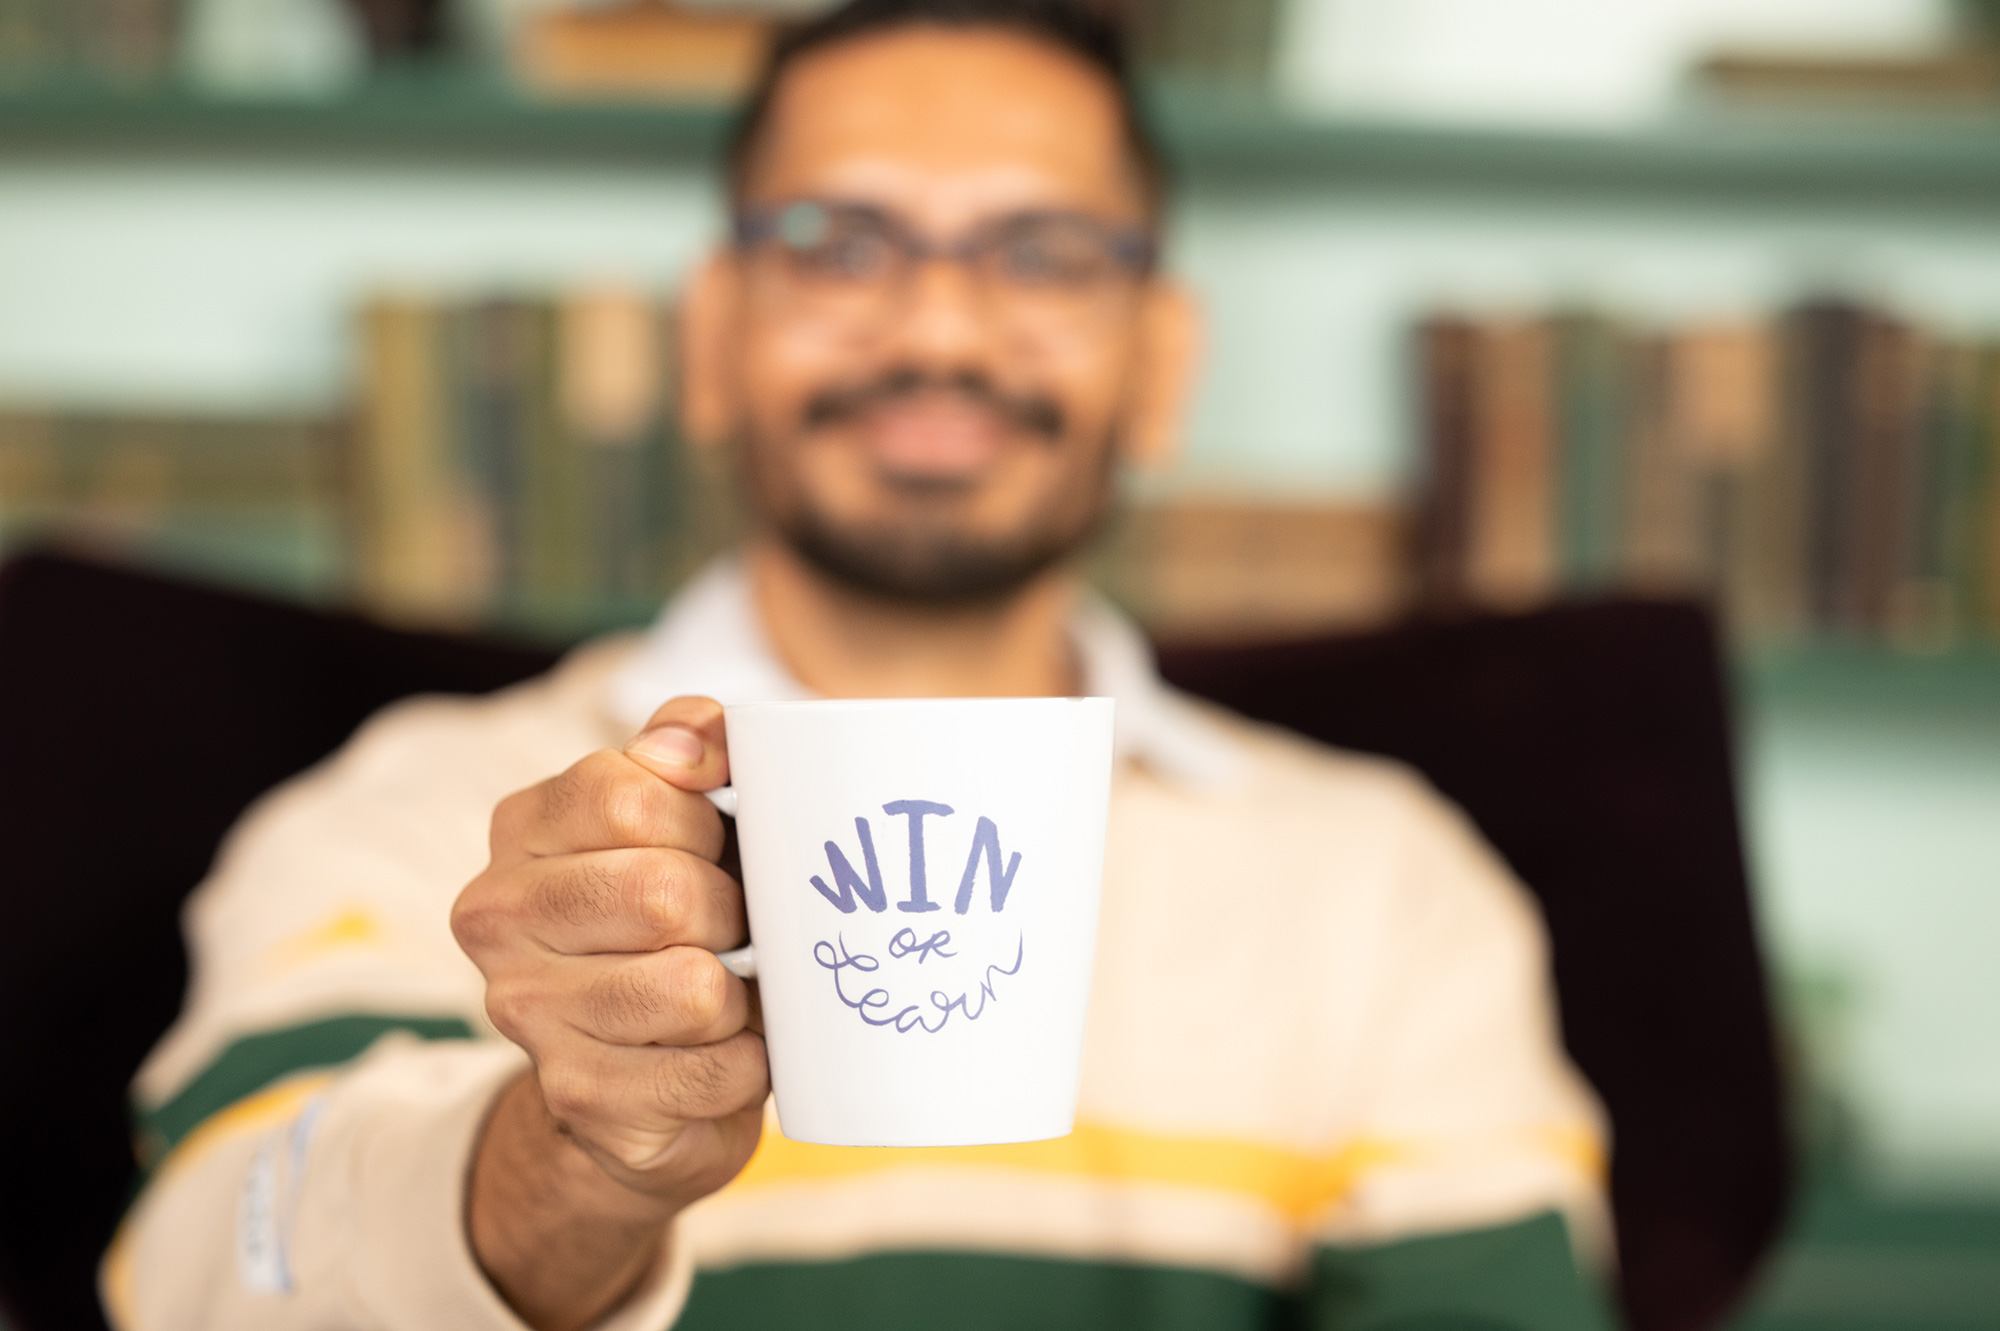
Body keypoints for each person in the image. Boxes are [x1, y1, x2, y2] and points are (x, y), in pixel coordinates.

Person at [103, 2, 1613, 1328]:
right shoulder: (419, 814)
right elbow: (207, 1278)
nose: (938, 327)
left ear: (1161, 365)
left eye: (1043, 251)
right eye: (839, 244)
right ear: (710, 338)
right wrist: (559, 1160)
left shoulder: (1385, 886)